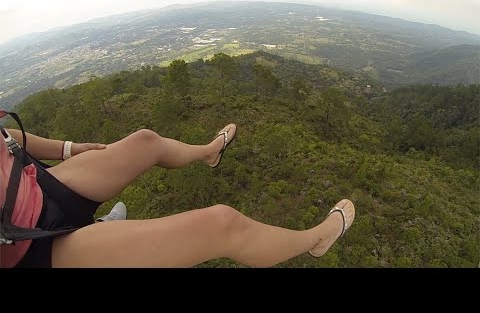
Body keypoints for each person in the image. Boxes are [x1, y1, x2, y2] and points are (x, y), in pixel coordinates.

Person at [1, 114, 355, 268]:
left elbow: (7, 135)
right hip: (28, 251)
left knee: (145, 142)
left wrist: (68, 148)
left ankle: (208, 151)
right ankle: (317, 239)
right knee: (221, 225)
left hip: (36, 187)